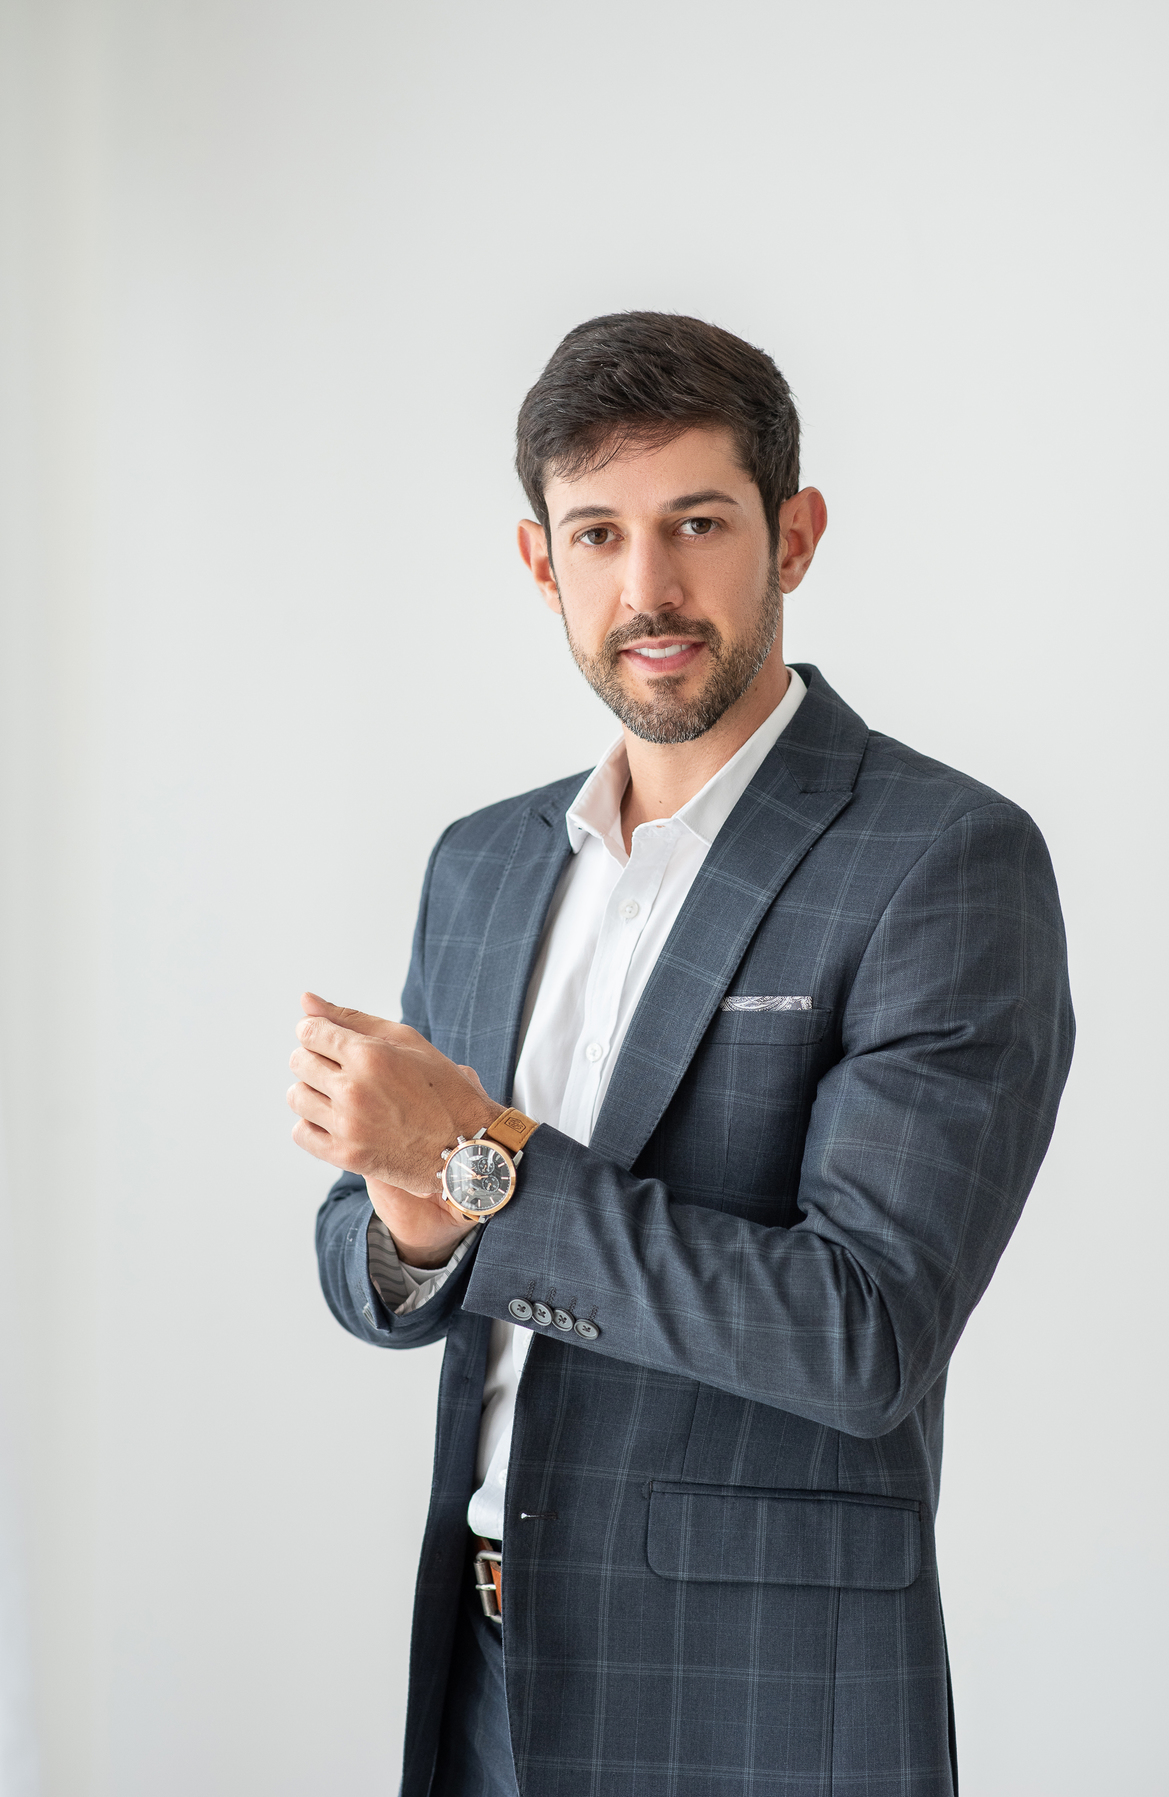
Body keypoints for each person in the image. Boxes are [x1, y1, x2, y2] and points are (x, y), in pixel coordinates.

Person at [287, 312, 1074, 1797]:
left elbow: (862, 1335)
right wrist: (411, 1222)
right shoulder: (480, 865)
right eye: (599, 534)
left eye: (697, 524)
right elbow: (371, 1264)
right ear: (543, 563)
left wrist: (474, 1161)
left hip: (759, 1700)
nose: (647, 588)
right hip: (484, 1676)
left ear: (796, 535)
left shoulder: (943, 862)